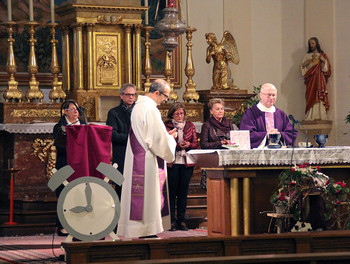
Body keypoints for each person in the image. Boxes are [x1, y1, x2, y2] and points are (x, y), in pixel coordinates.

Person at [117, 79, 177, 238]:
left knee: (143, 196)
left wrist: (165, 136)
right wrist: (171, 140)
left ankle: (140, 229)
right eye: (165, 96)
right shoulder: (150, 109)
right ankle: (146, 230)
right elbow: (157, 139)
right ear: (157, 93)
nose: (166, 99)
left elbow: (149, 134)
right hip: (147, 160)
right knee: (148, 195)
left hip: (139, 156)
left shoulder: (138, 106)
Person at [53, 100, 87, 236]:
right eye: (72, 109)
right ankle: (62, 225)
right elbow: (59, 145)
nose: (75, 112)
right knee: (64, 193)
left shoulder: (84, 125)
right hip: (65, 163)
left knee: (80, 193)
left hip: (80, 163)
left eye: (77, 109)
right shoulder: (59, 126)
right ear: (65, 111)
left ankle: (79, 223)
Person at [164, 103, 198, 232]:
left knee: (183, 194)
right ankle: (171, 221)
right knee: (172, 193)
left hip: (186, 162)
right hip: (172, 162)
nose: (180, 116)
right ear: (172, 114)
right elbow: (165, 143)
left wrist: (188, 144)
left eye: (182, 113)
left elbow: (195, 143)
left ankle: (182, 220)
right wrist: (178, 145)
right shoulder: (167, 126)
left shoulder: (190, 125)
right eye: (177, 113)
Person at [240, 83, 296, 149]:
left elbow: (291, 133)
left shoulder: (281, 114)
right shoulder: (251, 113)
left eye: (273, 95)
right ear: (261, 95)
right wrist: (267, 135)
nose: (271, 98)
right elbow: (247, 135)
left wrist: (279, 135)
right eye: (269, 95)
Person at [106, 83, 136, 199]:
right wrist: (130, 138)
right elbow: (112, 134)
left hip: (136, 154)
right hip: (122, 154)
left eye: (133, 95)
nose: (131, 97)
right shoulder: (114, 113)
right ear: (121, 96)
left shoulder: (139, 110)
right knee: (121, 188)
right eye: (128, 94)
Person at [301, 37, 331, 120]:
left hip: (319, 79)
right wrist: (304, 64)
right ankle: (310, 115)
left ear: (317, 44)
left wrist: (324, 61)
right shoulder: (307, 56)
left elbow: (326, 69)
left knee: (319, 95)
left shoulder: (322, 55)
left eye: (313, 43)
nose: (311, 45)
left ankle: (320, 115)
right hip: (311, 80)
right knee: (311, 95)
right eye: (310, 44)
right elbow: (303, 70)